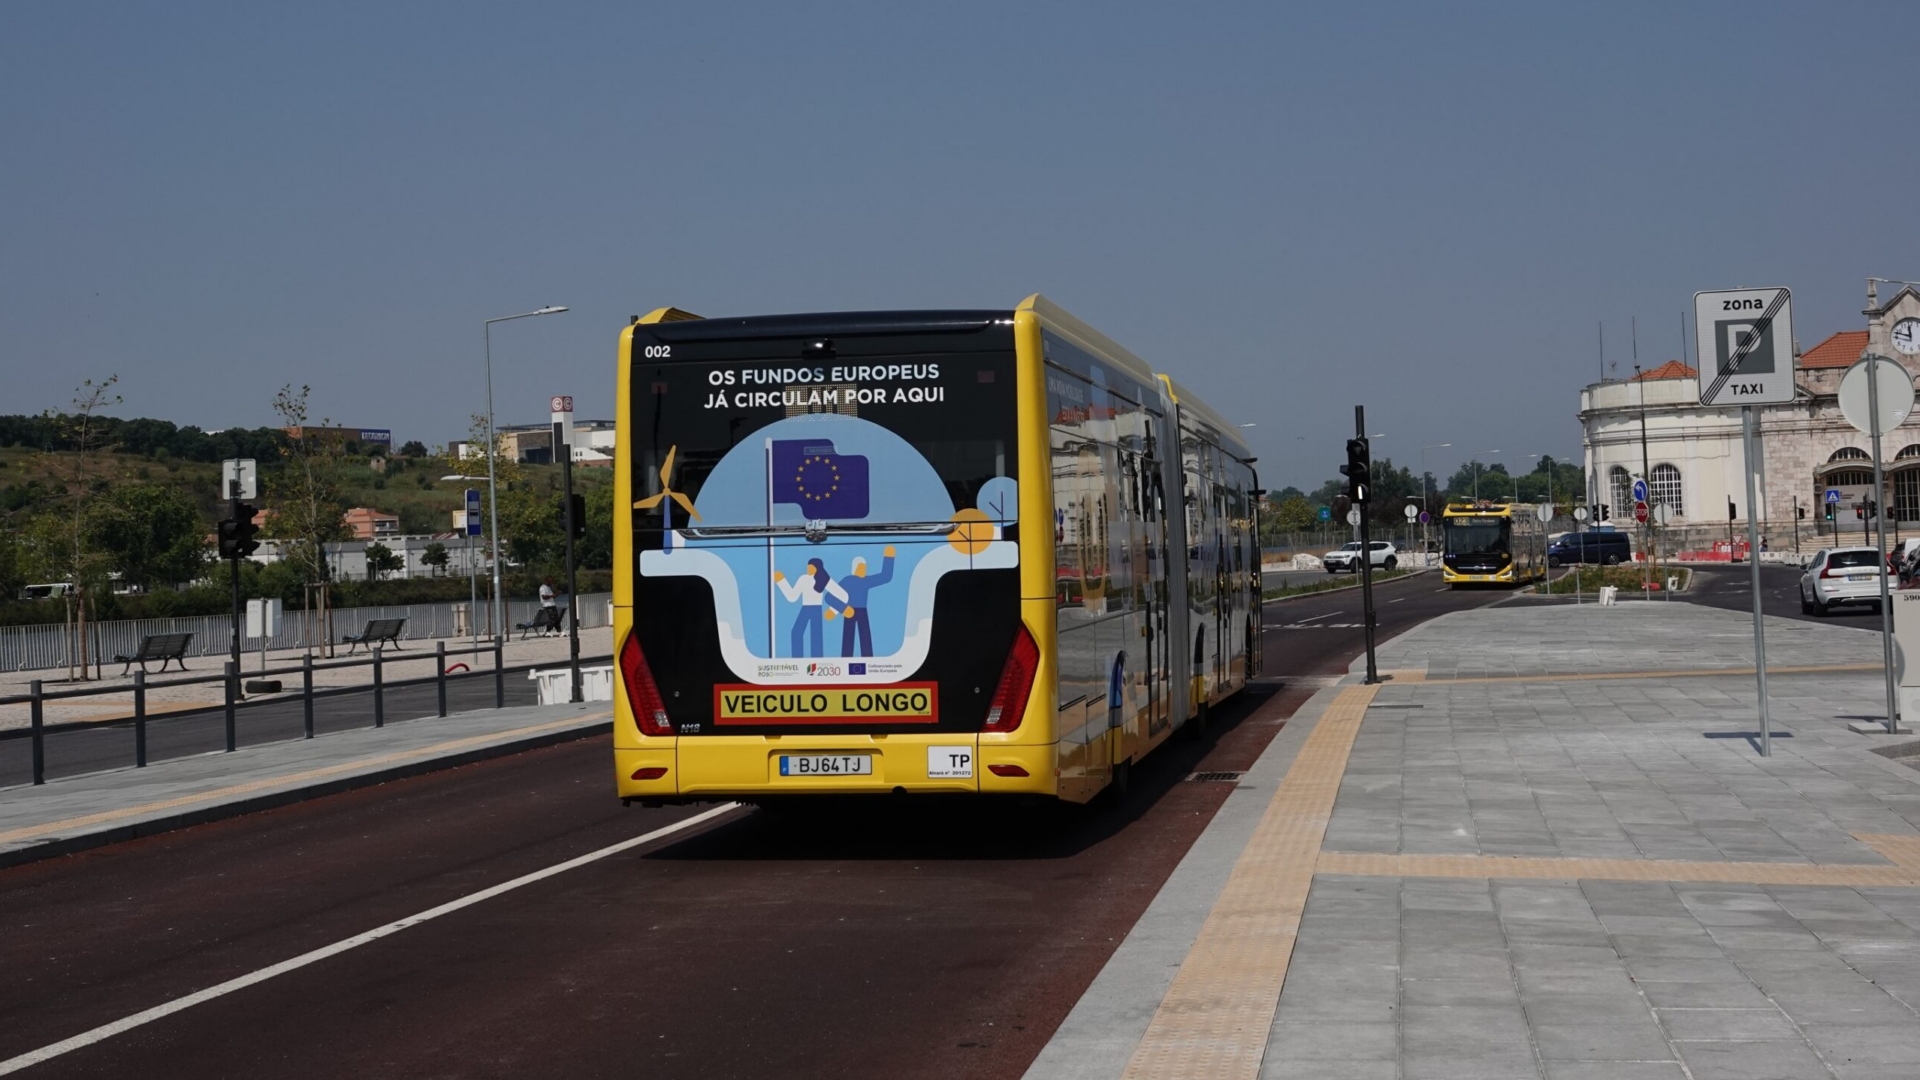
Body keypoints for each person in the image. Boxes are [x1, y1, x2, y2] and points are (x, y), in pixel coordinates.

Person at [775, 558, 849, 658]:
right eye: (808, 567)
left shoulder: (824, 579)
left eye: (811, 567)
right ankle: (797, 661)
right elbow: (792, 597)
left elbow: (843, 595)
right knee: (796, 632)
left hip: (816, 610)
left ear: (817, 568)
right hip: (805, 609)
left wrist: (833, 611)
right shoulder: (803, 579)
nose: (808, 569)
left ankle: (818, 663)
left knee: (816, 639)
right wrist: (781, 581)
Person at [835, 546, 896, 657]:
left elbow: (885, 577)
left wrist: (889, 558)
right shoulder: (847, 580)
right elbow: (829, 597)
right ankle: (845, 663)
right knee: (848, 641)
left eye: (864, 567)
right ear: (854, 568)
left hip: (862, 611)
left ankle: (869, 664)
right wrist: (843, 608)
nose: (863, 570)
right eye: (860, 567)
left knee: (865, 639)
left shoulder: (866, 581)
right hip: (849, 611)